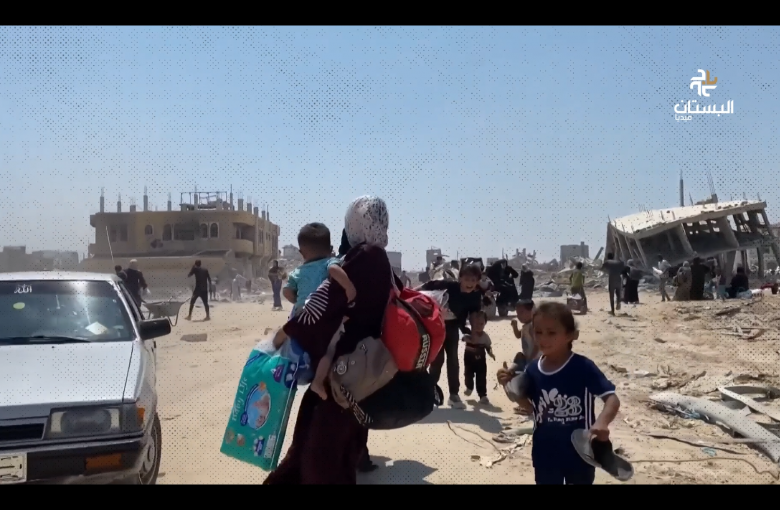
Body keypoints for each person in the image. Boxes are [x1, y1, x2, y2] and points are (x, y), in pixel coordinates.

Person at [264, 195, 396, 485]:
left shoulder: (365, 256)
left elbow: (324, 300)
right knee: (319, 445)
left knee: (320, 456)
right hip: (353, 370)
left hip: (343, 370)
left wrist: (289, 330)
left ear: (355, 223)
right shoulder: (379, 259)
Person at [496, 302, 620, 485]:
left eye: (551, 333)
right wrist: (509, 385)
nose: (543, 338)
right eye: (538, 332)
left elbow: (611, 398)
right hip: (544, 451)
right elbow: (531, 408)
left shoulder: (582, 367)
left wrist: (602, 422)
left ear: (570, 335)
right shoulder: (533, 370)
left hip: (579, 452)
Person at [273, 223, 356, 400]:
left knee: (292, 333)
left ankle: (275, 349)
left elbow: (286, 291)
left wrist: (297, 301)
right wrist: (349, 287)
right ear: (330, 249)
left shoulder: (298, 271)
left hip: (301, 315)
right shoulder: (329, 262)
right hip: (321, 317)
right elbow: (334, 270)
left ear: (302, 253)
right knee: (330, 349)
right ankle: (318, 382)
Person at [419, 264, 484, 409]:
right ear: (460, 278)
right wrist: (411, 292)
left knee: (453, 359)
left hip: (453, 326)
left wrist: (474, 334)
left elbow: (473, 314)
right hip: (436, 326)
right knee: (437, 360)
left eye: (473, 280)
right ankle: (430, 393)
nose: (470, 283)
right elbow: (427, 286)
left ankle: (454, 395)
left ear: (477, 281)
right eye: (467, 279)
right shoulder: (449, 286)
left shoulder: (475, 296)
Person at [462, 310, 495, 404]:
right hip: (469, 360)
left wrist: (491, 353)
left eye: (481, 324)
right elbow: (463, 338)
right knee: (468, 374)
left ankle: (482, 395)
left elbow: (488, 347)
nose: (478, 326)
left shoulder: (485, 337)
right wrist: (468, 338)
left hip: (481, 361)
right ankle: (469, 387)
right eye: (476, 323)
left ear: (485, 324)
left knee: (481, 377)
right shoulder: (469, 333)